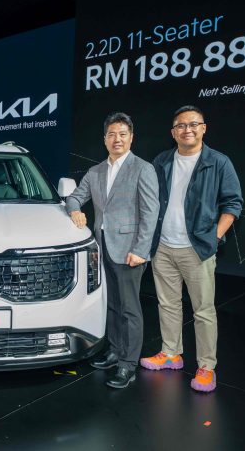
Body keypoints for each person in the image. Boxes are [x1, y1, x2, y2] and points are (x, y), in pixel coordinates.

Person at [140, 105, 243, 392]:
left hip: (197, 249)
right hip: (163, 247)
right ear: (173, 133)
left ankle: (207, 367)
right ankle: (171, 353)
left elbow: (233, 203)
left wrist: (214, 237)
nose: (187, 129)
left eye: (193, 124)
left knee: (203, 311)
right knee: (168, 304)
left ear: (203, 128)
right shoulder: (162, 161)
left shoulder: (218, 162)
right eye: (181, 126)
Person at [66, 112, 159, 389]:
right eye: (111, 134)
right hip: (102, 247)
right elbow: (74, 197)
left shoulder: (143, 169)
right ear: (105, 139)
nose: (117, 139)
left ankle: (128, 365)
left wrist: (141, 249)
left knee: (130, 309)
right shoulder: (95, 171)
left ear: (131, 138)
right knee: (112, 304)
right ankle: (115, 351)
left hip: (130, 250)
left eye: (122, 134)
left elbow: (151, 212)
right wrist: (75, 211)